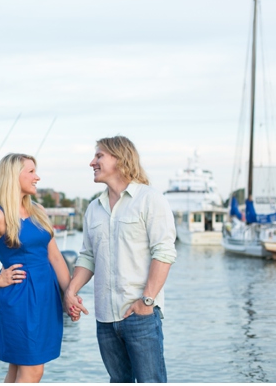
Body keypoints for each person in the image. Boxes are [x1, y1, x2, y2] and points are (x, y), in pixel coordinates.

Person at [64, 136, 177, 383]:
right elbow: (88, 256)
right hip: (104, 319)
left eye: (99, 156)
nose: (92, 162)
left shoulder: (150, 199)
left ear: (119, 158)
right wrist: (71, 290)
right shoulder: (94, 208)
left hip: (140, 314)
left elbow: (164, 252)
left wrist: (146, 301)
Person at [0, 153, 71, 383]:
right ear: (13, 176)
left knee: (18, 369)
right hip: (22, 295)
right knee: (33, 370)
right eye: (31, 172)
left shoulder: (38, 210)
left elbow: (55, 257)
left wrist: (69, 294)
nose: (37, 177)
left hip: (46, 294)